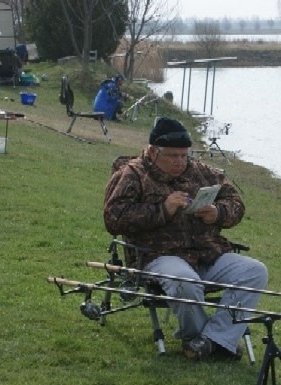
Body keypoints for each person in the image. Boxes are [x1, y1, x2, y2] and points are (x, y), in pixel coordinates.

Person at [103, 118, 268, 360]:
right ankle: (210, 342)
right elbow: (113, 219)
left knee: (255, 271)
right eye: (172, 156)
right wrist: (162, 210)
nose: (180, 162)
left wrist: (218, 213)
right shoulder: (133, 174)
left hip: (208, 252)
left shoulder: (202, 171)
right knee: (184, 281)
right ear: (153, 151)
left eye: (184, 155)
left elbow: (236, 203)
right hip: (158, 256)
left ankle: (211, 341)